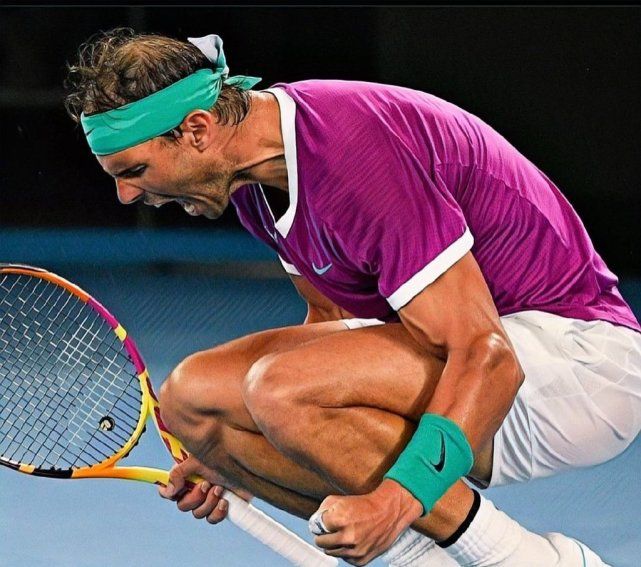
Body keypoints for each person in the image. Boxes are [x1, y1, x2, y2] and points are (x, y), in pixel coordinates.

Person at [64, 28, 641, 566]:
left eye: (133, 168)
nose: (125, 195)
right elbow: (334, 321)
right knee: (193, 400)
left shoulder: (355, 154)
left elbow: (486, 354)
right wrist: (237, 456)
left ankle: (522, 559)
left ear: (196, 130)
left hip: (578, 367)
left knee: (281, 389)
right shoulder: (256, 177)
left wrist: (396, 501)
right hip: (491, 357)